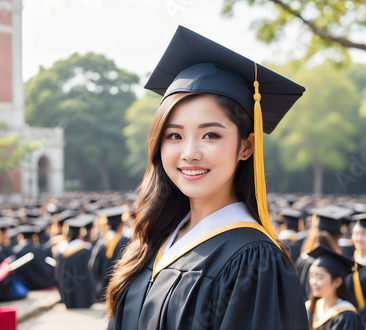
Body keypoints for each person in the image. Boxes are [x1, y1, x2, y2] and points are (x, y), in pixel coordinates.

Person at [106, 25, 308, 329]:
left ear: (246, 146)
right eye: (174, 135)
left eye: (210, 134)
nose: (189, 152)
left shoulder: (254, 261)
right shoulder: (155, 241)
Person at [306, 245, 364, 330]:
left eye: (320, 277)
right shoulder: (310, 308)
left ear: (337, 282)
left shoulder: (347, 316)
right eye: (311, 276)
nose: (313, 282)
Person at [89, 206, 130, 300]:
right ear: (121, 224)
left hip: (103, 286)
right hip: (120, 285)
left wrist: (98, 282)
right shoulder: (125, 241)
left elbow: (93, 265)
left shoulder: (101, 241)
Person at [55, 214, 96, 309]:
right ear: (80, 233)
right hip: (82, 289)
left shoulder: (61, 249)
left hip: (67, 288)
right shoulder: (86, 249)